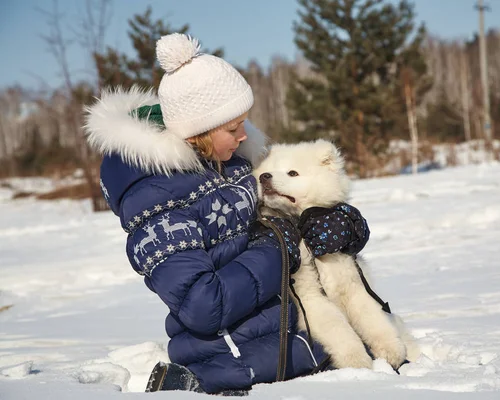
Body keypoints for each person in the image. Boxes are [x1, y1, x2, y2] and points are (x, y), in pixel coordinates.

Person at [84, 33, 370, 395]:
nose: (242, 135)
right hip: (228, 356)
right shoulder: (155, 201)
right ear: (196, 133)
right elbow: (202, 304)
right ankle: (182, 388)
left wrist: (342, 224)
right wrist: (281, 246)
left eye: (244, 124)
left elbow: (290, 206)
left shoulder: (231, 165)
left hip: (290, 327)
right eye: (233, 128)